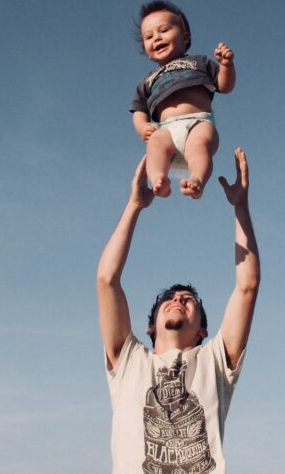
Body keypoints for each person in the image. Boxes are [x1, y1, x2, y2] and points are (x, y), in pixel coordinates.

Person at [97, 148, 260, 473]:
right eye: (169, 299)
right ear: (150, 327)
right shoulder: (129, 362)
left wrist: (240, 207)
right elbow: (107, 280)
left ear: (202, 330)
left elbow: (247, 286)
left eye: (189, 300)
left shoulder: (214, 361)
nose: (178, 299)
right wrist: (134, 206)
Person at [130, 0, 236, 199]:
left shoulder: (199, 62)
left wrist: (226, 66)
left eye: (164, 30)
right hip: (166, 129)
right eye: (149, 36)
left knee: (199, 147)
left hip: (199, 121)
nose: (157, 38)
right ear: (145, 49)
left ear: (185, 36)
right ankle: (159, 179)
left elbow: (224, 86)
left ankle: (196, 179)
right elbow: (138, 110)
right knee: (155, 144)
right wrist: (143, 127)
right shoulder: (147, 81)